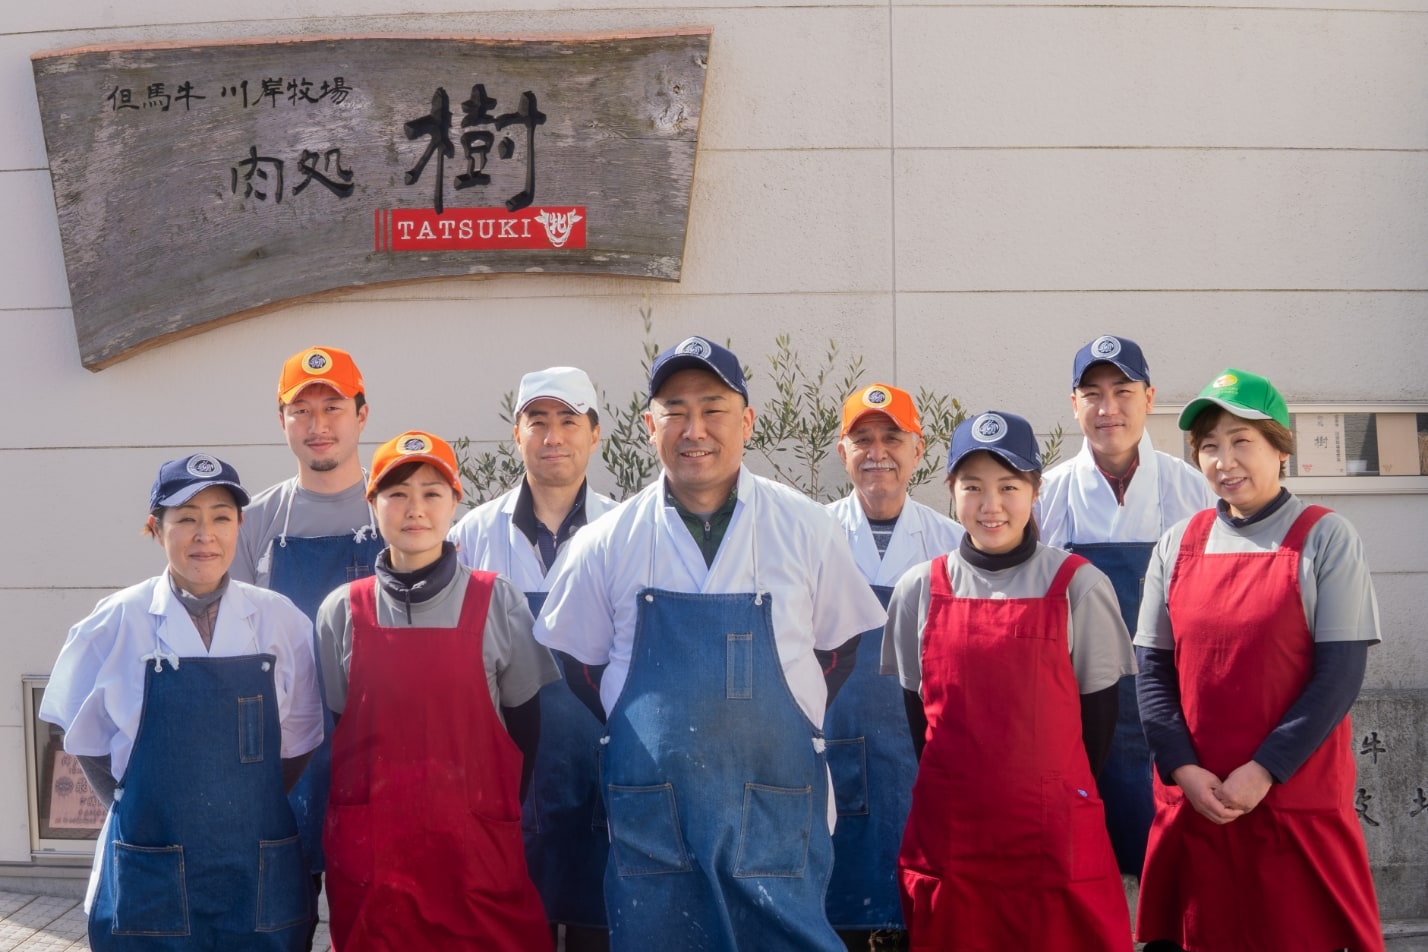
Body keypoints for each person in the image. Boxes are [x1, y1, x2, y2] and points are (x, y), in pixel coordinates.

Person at [534, 335, 887, 952]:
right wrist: (655, 727)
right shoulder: (606, 542)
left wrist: (772, 723)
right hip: (654, 826)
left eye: (713, 408)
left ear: (747, 421)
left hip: (777, 817)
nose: (695, 428)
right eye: (676, 410)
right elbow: (579, 664)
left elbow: (840, 651)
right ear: (650, 426)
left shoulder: (807, 528)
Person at [1134, 369, 1383, 952]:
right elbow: (1151, 673)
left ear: (1279, 446)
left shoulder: (1325, 538)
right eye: (1210, 446)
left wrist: (1265, 770)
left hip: (1291, 803)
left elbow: (1340, 675)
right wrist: (1183, 770)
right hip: (1197, 804)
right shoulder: (1176, 544)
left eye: (1241, 440)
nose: (1224, 460)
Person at [40, 453, 324, 951]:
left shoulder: (280, 621)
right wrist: (136, 809)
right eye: (186, 518)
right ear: (155, 528)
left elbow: (301, 738)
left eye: (220, 516)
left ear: (240, 524)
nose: (204, 535)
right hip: (151, 870)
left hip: (256, 868)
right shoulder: (116, 621)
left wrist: (244, 805)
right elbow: (81, 735)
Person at [884, 411, 1134, 951]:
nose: (990, 505)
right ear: (951, 491)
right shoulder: (918, 591)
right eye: (972, 487)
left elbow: (1099, 730)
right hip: (953, 841)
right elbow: (919, 724)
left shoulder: (1079, 587)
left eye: (1008, 486)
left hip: (1053, 839)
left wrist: (1047, 790)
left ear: (1036, 491)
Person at [316, 430, 557, 952]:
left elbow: (525, 734)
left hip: (476, 861)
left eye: (431, 492)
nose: (414, 509)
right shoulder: (341, 611)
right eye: (397, 493)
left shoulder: (497, 601)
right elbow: (339, 731)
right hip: (373, 865)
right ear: (372, 503)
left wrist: (481, 814)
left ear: (455, 499)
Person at [448, 366, 618, 952]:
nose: (553, 437)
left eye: (569, 421)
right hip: (506, 795)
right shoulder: (471, 537)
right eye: (538, 422)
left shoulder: (625, 531)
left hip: (606, 788)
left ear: (595, 434)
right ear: (516, 434)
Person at [1035, 334, 1214, 879]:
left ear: (1150, 397)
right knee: (1088, 873)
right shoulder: (1046, 495)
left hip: (1176, 718)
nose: (1107, 408)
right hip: (1079, 721)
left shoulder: (1197, 493)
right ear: (1073, 404)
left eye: (1123, 391)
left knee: (1177, 876)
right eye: (1092, 393)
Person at [231, 345, 383, 946]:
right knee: (278, 926)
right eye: (303, 410)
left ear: (362, 415)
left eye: (334, 407)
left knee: (372, 924)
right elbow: (233, 652)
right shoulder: (256, 523)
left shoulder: (398, 506)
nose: (319, 425)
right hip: (284, 756)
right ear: (282, 421)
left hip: (377, 751)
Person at [823, 383, 964, 948]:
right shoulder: (811, 534)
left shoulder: (952, 544)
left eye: (892, 438)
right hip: (834, 758)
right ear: (842, 452)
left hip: (921, 760)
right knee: (837, 920)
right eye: (862, 439)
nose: (877, 451)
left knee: (924, 914)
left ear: (918, 449)